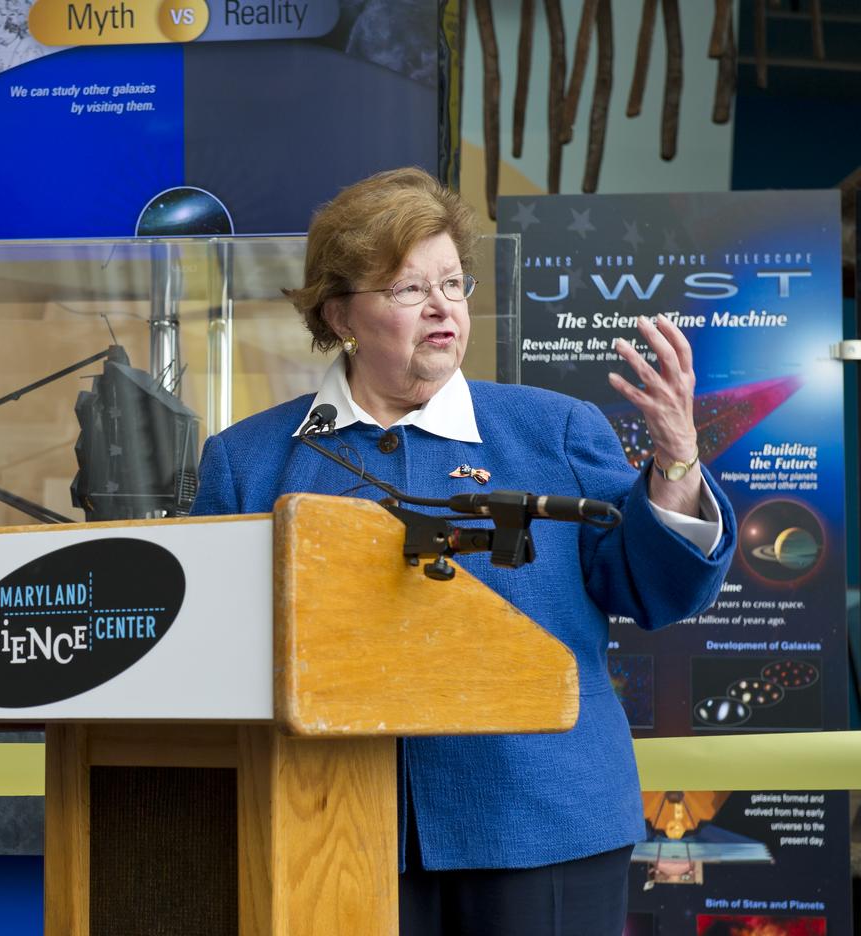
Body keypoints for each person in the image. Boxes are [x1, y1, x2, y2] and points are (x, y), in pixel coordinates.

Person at [189, 167, 735, 936]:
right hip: (325, 822)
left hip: (541, 822)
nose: (443, 306)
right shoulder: (248, 460)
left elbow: (657, 589)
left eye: (453, 283)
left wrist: (676, 465)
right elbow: (211, 653)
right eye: (409, 289)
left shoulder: (555, 430)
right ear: (341, 313)